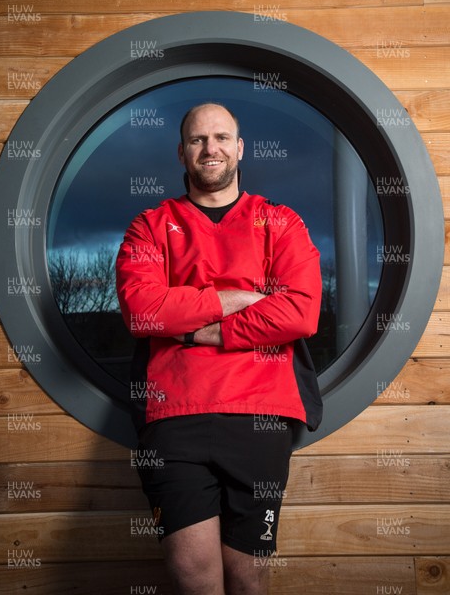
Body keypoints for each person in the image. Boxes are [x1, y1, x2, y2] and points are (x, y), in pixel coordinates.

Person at [116, 102, 322, 594]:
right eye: (198, 140)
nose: (211, 149)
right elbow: (141, 308)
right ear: (182, 153)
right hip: (174, 417)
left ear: (239, 148)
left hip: (261, 415)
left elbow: (300, 313)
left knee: (248, 577)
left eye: (221, 138)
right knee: (193, 575)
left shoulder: (281, 222)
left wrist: (200, 329)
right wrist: (232, 299)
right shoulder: (150, 226)